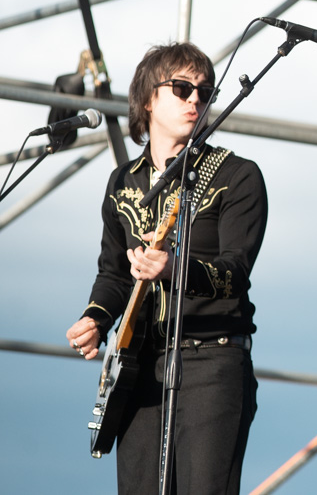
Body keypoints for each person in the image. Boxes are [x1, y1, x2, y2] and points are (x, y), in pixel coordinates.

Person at [65, 42, 268, 494]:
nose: (195, 99)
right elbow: (116, 272)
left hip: (213, 361)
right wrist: (96, 319)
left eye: (204, 91)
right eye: (181, 88)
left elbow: (235, 271)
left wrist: (173, 268)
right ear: (148, 99)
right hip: (141, 366)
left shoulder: (237, 176)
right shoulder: (122, 183)